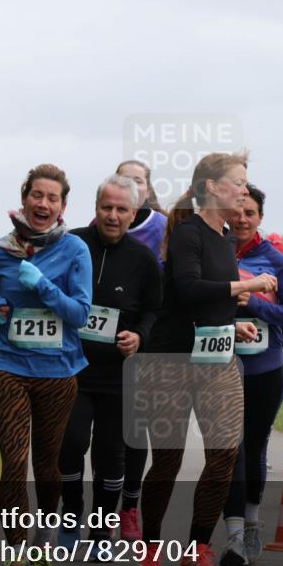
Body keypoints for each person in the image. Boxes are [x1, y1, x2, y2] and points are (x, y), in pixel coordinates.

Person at [135, 152, 276, 566]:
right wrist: (248, 284)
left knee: (224, 457)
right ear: (212, 187)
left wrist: (233, 328)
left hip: (217, 359)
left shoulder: (227, 237)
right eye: (238, 182)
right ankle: (152, 550)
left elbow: (210, 305)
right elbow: (190, 290)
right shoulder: (188, 234)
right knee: (168, 461)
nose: (245, 190)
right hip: (172, 360)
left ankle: (198, 547)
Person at [0, 163, 92, 566]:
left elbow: (80, 314)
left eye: (52, 198)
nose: (43, 203)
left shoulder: (75, 250)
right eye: (37, 195)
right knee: (13, 462)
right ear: (24, 197)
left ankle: (43, 539)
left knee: (47, 464)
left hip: (58, 370)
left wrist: (42, 284)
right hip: (8, 363)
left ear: (62, 206)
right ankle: (17, 552)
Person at [58, 174, 162, 554]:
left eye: (122, 209)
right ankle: (71, 513)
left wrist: (140, 337)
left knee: (110, 454)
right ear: (95, 207)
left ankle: (102, 530)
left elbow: (153, 310)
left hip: (118, 374)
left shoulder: (143, 259)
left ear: (133, 214)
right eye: (107, 207)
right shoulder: (72, 245)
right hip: (72, 368)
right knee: (69, 445)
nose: (113, 215)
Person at [219, 183, 283, 566]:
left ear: (260, 218)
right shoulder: (212, 253)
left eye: (249, 213)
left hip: (265, 370)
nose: (241, 218)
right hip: (219, 368)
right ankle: (234, 536)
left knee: (251, 448)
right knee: (227, 450)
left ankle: (251, 523)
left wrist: (254, 303)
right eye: (236, 210)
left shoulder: (274, 260)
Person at [114, 159, 169, 539]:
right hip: (105, 343)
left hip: (150, 340)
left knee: (136, 429)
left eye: (137, 181)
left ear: (147, 190)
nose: (130, 187)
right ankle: (99, 505)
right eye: (123, 181)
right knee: (105, 432)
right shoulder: (105, 222)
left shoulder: (163, 229)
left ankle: (129, 507)